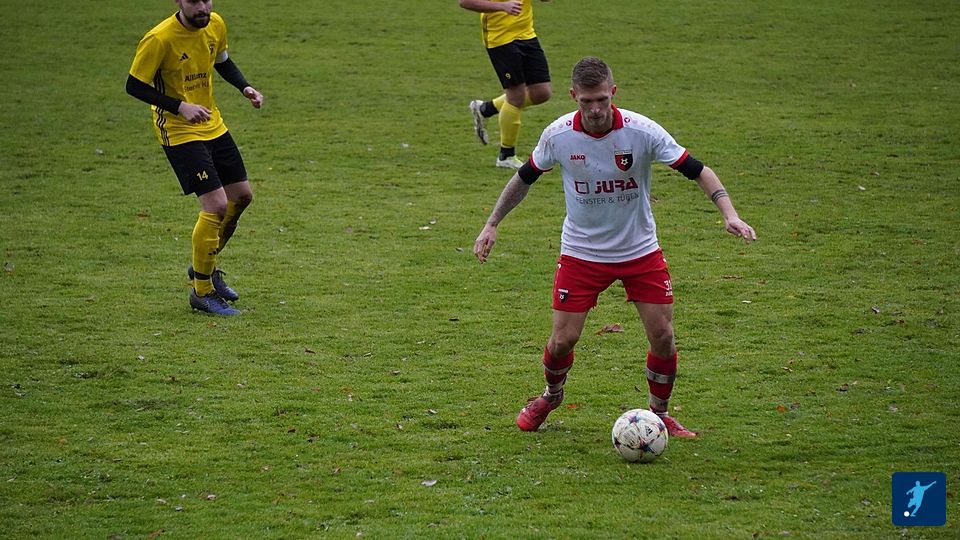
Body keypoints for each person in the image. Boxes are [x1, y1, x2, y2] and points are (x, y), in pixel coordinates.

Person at [474, 57, 757, 437]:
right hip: (582, 252)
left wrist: (729, 214)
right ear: (573, 96)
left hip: (640, 251)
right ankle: (551, 396)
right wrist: (492, 223)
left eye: (602, 100)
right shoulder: (558, 135)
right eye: (586, 101)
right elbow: (524, 178)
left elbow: (697, 170)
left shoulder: (642, 131)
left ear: (613, 93)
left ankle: (660, 414)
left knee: (663, 336)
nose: (595, 109)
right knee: (563, 340)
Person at [126, 0, 263, 316]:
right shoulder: (159, 38)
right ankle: (202, 291)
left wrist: (245, 87)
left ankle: (205, 265)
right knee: (216, 205)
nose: (202, 7)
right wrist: (179, 106)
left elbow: (222, 61)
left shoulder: (215, 23)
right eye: (194, 1)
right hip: (178, 130)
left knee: (241, 196)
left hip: (211, 122)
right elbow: (134, 85)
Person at [459, 0, 552, 170]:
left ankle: (485, 109)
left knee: (541, 92)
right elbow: (465, 2)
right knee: (516, 96)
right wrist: (502, 6)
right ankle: (506, 155)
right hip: (500, 38)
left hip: (527, 34)